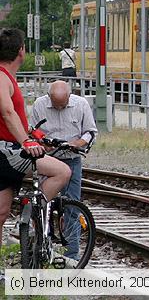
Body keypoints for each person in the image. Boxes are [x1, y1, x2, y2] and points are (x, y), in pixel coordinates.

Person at [0, 29, 71, 248]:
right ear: (21, 50)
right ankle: (29, 221)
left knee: (1, 212)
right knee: (62, 171)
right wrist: (26, 142)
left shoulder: (6, 76)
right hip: (9, 151)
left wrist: (30, 132)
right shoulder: (2, 76)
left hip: (7, 149)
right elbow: (7, 112)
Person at [31, 80, 97, 259]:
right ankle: (39, 246)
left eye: (63, 105)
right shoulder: (39, 105)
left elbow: (90, 132)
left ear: (69, 96)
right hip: (49, 161)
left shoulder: (81, 104)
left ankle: (72, 256)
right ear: (49, 97)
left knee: (72, 208)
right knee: (41, 205)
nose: (59, 108)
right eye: (55, 105)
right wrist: (43, 143)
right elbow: (32, 132)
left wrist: (77, 143)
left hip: (72, 160)